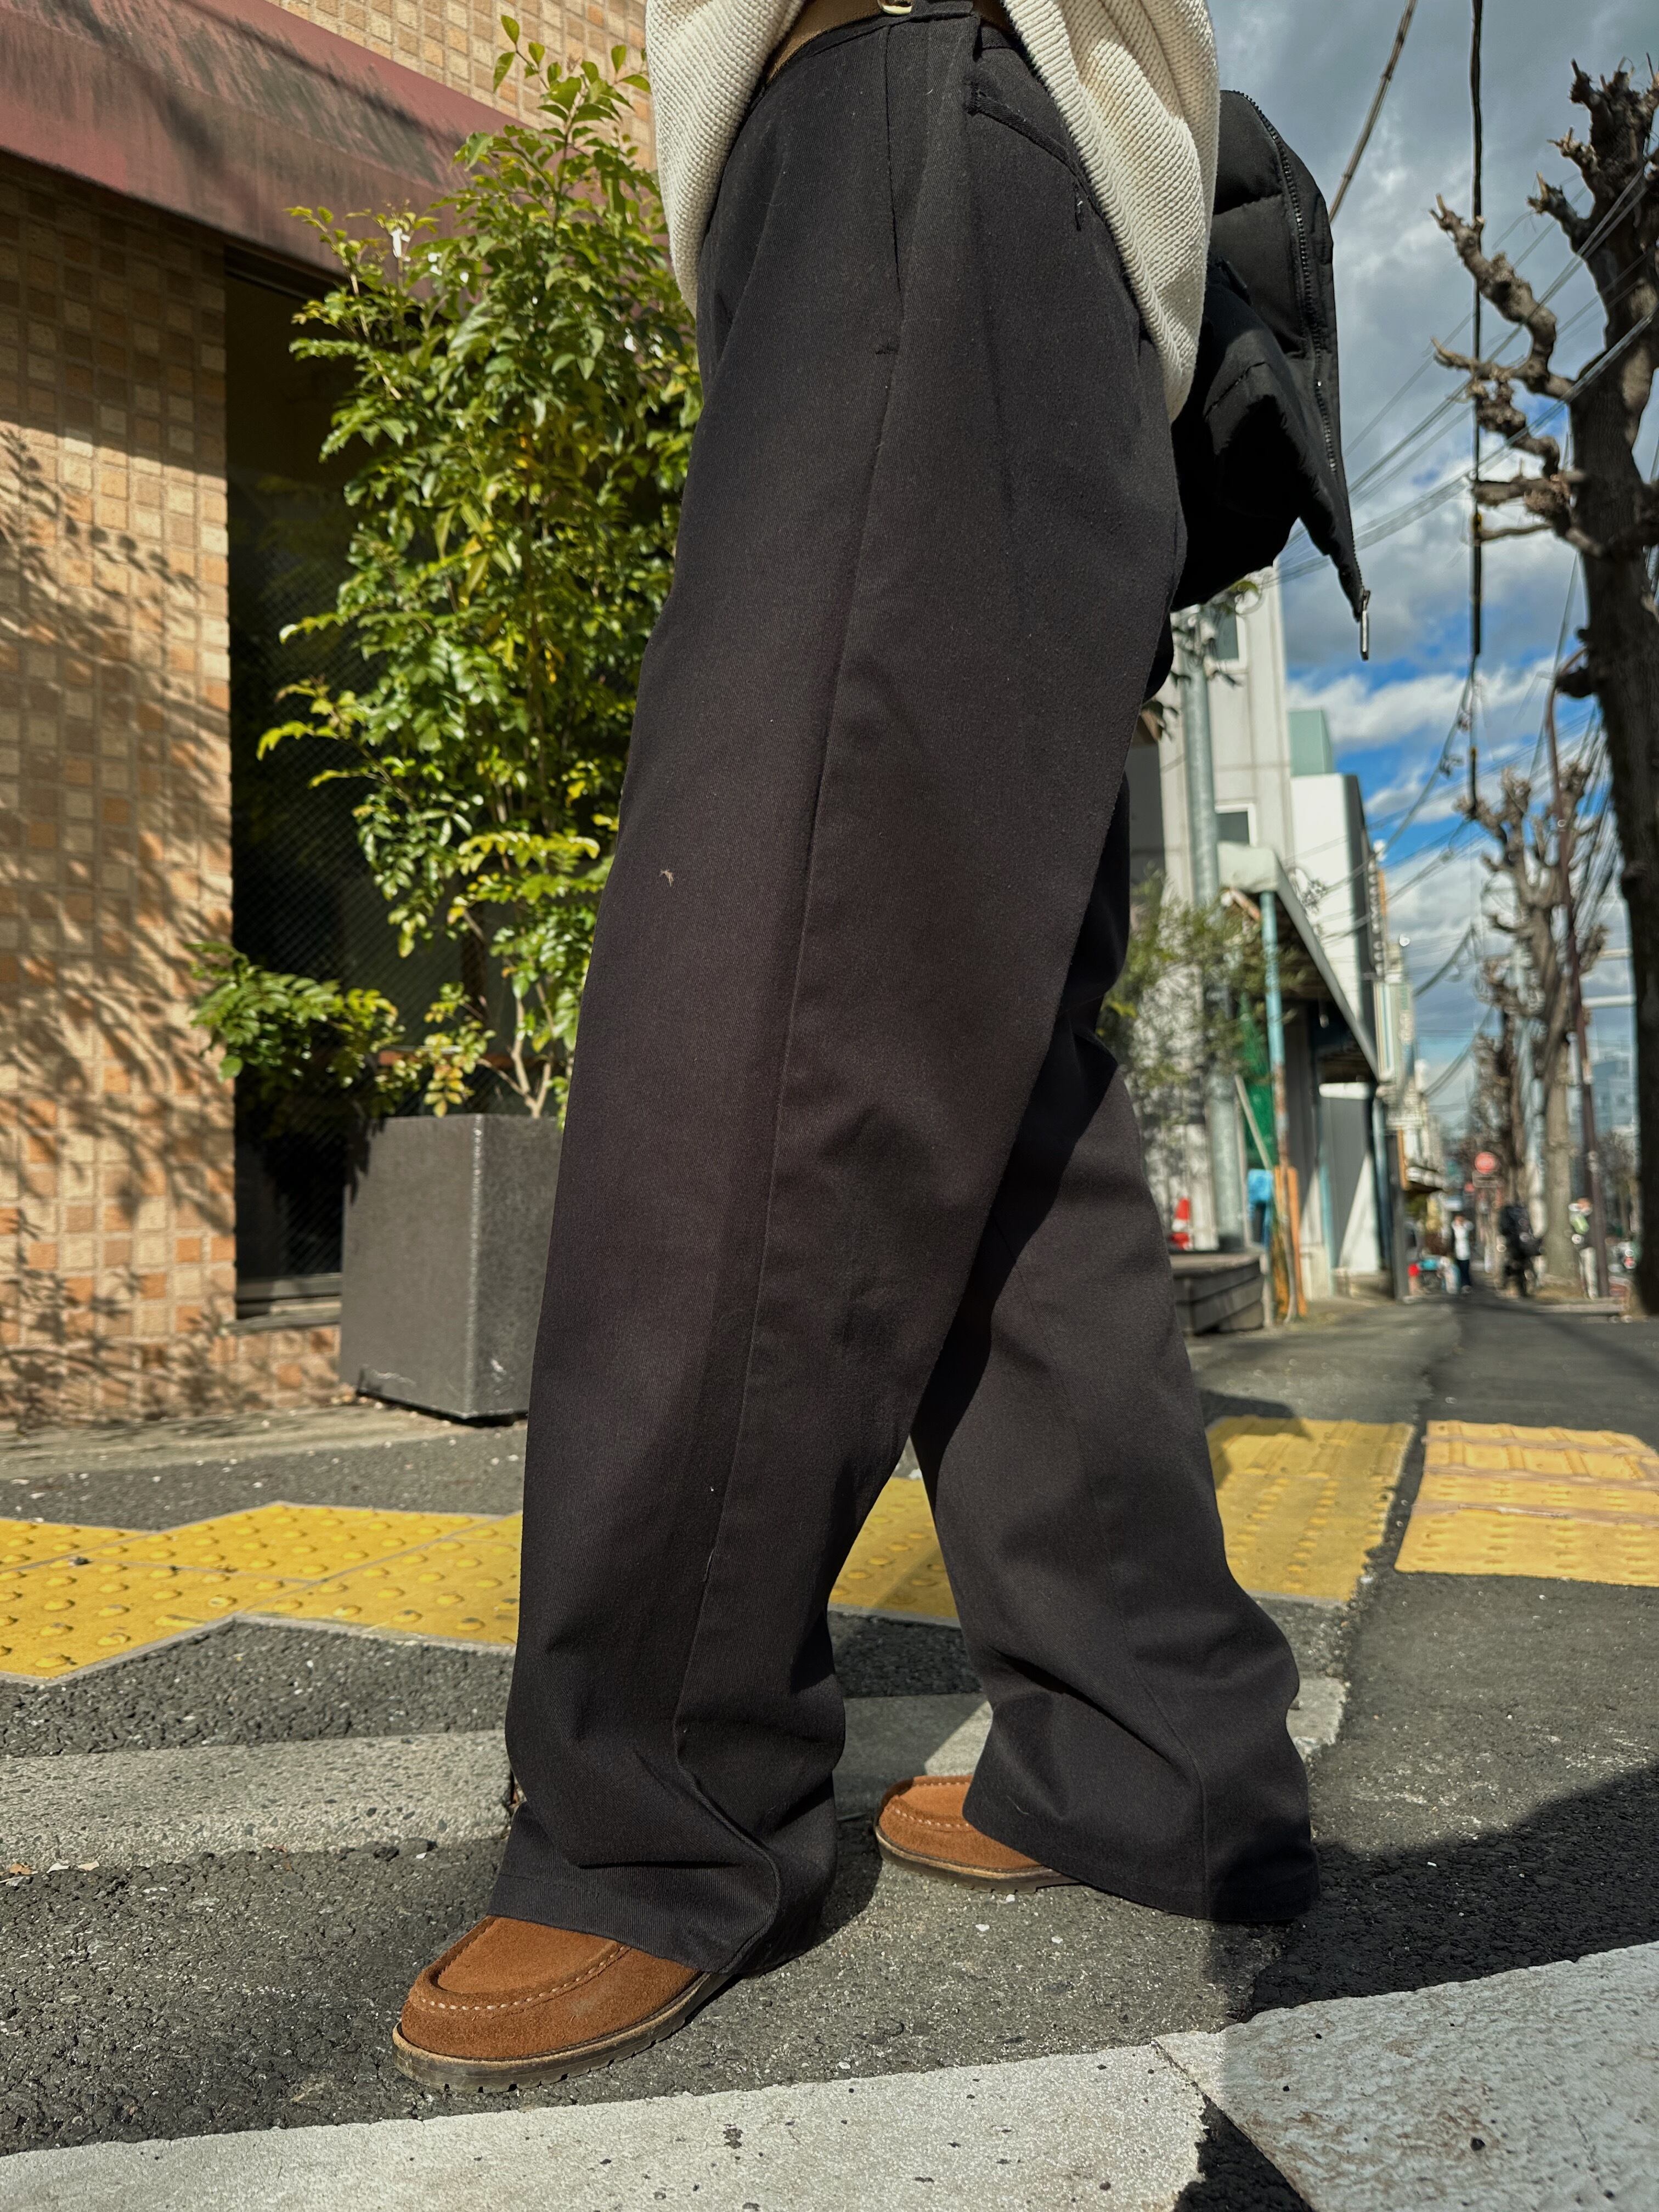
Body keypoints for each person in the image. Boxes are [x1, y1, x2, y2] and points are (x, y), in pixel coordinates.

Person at [393, 0, 1316, 2091]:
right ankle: (1148, 1736)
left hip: (910, 104)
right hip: (1055, 240)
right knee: (1005, 1064)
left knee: (767, 926)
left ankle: (655, 1791)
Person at [1498, 1198, 1535, 1297]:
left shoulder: (1507, 1213)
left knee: (1514, 1265)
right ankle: (1521, 1287)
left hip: (1514, 1245)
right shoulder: (1523, 1212)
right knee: (1521, 1265)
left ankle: (1508, 1284)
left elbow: (1503, 1229)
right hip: (1524, 1245)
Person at [1450, 1209, 1474, 1296]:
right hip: (1457, 1251)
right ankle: (1460, 1285)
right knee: (1459, 1269)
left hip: (1465, 1250)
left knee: (1465, 1269)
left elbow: (1471, 1230)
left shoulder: (1467, 1227)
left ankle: (1467, 1285)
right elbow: (1452, 1240)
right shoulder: (1453, 1227)